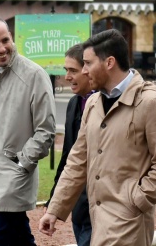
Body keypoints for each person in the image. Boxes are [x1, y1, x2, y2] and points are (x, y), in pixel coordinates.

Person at [39, 29, 156, 245]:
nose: (83, 71)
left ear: (109, 62)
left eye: (87, 63)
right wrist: (55, 208)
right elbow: (77, 161)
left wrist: (136, 200)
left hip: (129, 224)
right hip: (96, 220)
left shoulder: (150, 103)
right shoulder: (93, 104)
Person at [0, 17, 56, 245]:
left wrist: (21, 163)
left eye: (5, 40)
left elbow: (46, 131)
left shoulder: (35, 75)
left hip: (14, 177)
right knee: (19, 235)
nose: (2, 48)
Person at [44, 43, 93, 246]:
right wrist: (54, 202)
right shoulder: (74, 104)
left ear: (88, 70)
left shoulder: (107, 104)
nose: (67, 76)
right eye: (66, 70)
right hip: (78, 208)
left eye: (73, 70)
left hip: (100, 209)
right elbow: (68, 156)